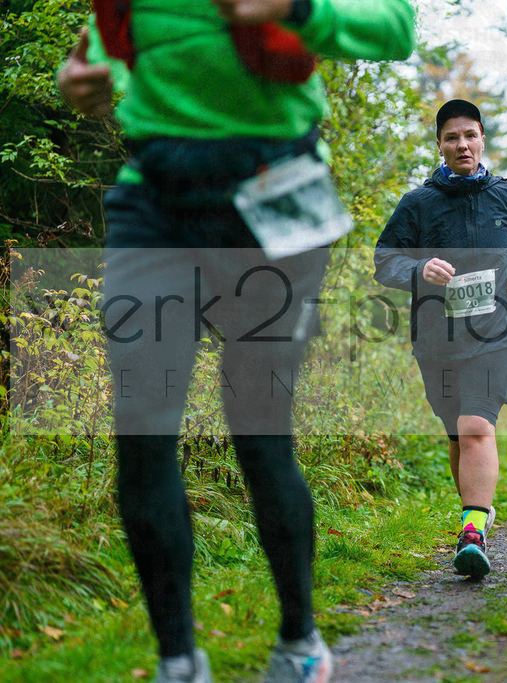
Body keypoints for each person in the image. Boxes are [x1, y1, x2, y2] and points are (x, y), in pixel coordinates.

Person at [57, 1, 414, 681]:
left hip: (276, 189)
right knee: (142, 423)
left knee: (258, 425)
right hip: (154, 200)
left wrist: (294, 6)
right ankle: (178, 662)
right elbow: (111, 52)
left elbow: (395, 25)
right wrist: (79, 78)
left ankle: (299, 641)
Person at [373, 99, 507, 579]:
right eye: (452, 137)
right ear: (440, 145)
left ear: (482, 139)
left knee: (474, 426)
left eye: (470, 135)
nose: (462, 145)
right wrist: (418, 269)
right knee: (457, 433)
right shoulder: (418, 203)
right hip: (439, 338)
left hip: (499, 331)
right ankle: (477, 512)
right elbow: (385, 260)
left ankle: (472, 534)